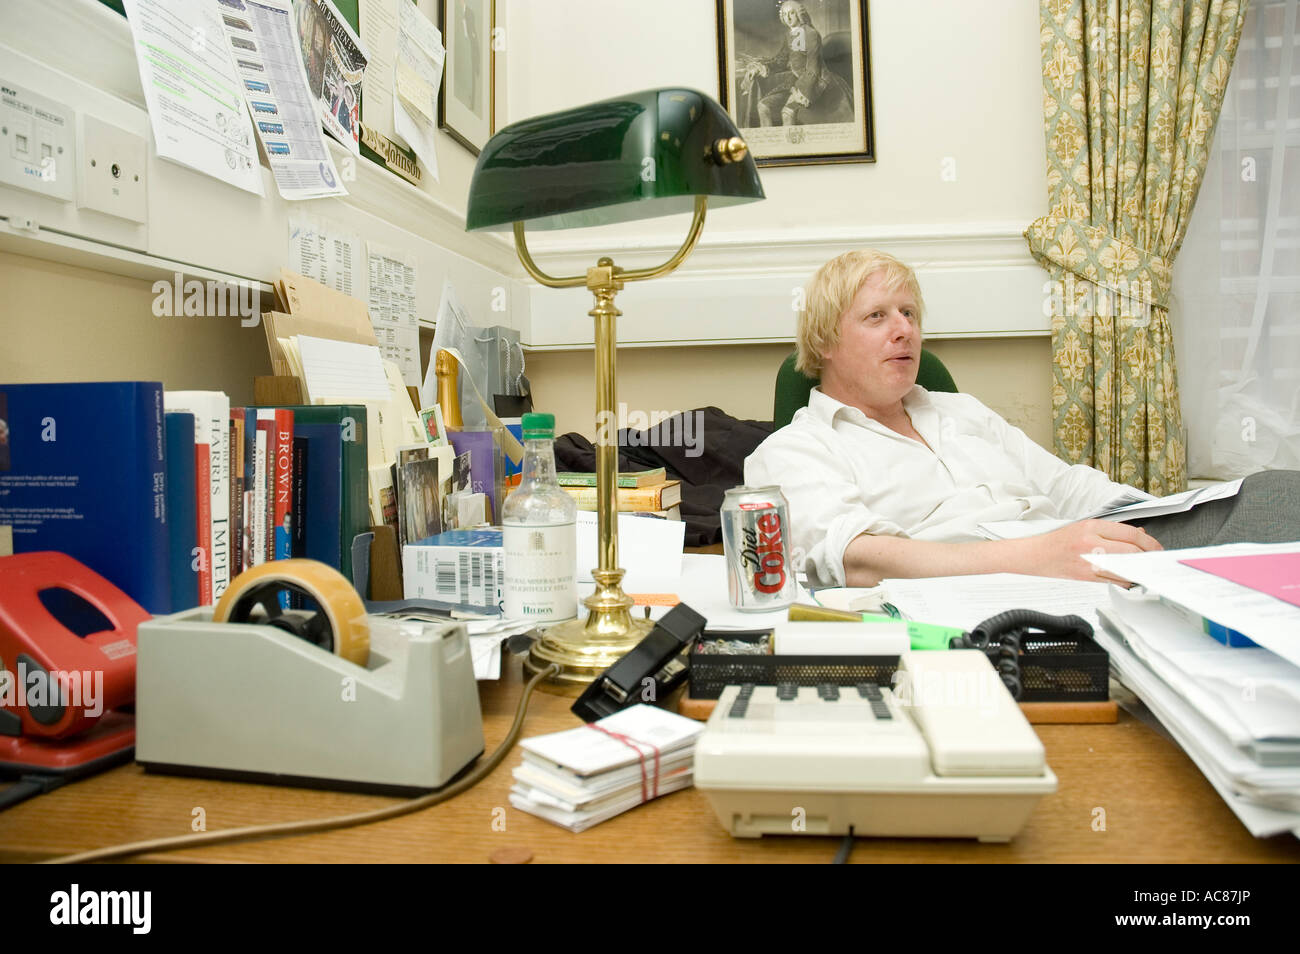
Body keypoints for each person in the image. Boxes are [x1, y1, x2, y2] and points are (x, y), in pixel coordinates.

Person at [744, 249, 1300, 588]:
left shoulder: (959, 411)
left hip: (1068, 555)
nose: (904, 330)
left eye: (909, 313)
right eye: (876, 316)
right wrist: (1038, 557)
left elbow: (1066, 485)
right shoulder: (793, 450)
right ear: (825, 341)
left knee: (1273, 496)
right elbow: (856, 559)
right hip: (996, 586)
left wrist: (1153, 521)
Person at [744, 0, 853, 127]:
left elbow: (813, 68)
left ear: (799, 14)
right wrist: (761, 68)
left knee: (787, 112)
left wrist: (803, 91)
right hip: (795, 80)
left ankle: (790, 145)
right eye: (785, 14)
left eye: (792, 13)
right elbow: (781, 61)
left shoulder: (811, 34)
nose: (788, 17)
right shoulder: (789, 35)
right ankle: (773, 144)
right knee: (763, 106)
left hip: (815, 81)